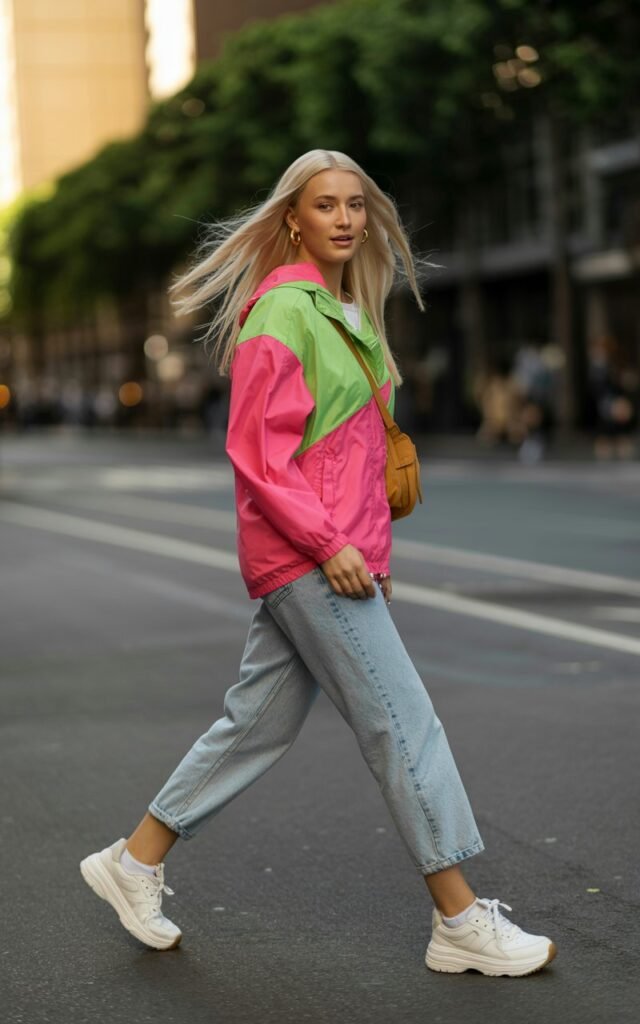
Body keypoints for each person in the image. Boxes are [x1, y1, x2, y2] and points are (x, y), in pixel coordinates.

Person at [79, 149, 557, 977]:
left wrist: (368, 547)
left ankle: (134, 859)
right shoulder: (280, 313)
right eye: (326, 204)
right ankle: (459, 919)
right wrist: (334, 545)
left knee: (256, 723)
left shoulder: (346, 312)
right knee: (403, 726)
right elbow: (259, 455)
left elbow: (354, 454)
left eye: (356, 205)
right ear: (293, 219)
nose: (344, 218)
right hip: (306, 554)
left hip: (332, 554)